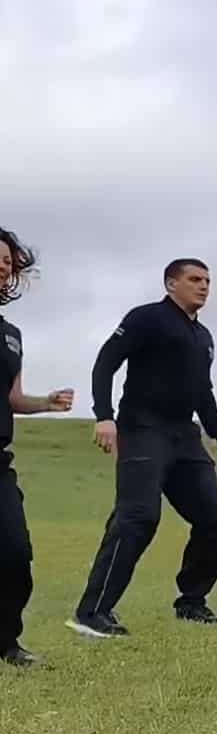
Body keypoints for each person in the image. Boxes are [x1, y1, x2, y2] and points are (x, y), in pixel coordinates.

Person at [70, 259, 217, 639]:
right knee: (138, 518)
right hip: (143, 430)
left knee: (214, 520)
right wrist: (104, 416)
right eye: (194, 279)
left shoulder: (204, 337)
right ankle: (92, 612)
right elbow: (105, 364)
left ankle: (192, 601)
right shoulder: (146, 318)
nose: (204, 287)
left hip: (185, 438)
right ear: (170, 284)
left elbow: (203, 391)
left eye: (208, 281)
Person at [0, 228, 74, 667]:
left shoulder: (11, 334)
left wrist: (44, 403)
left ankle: (7, 642)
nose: (4, 267)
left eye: (8, 262)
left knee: (14, 553)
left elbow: (12, 397)